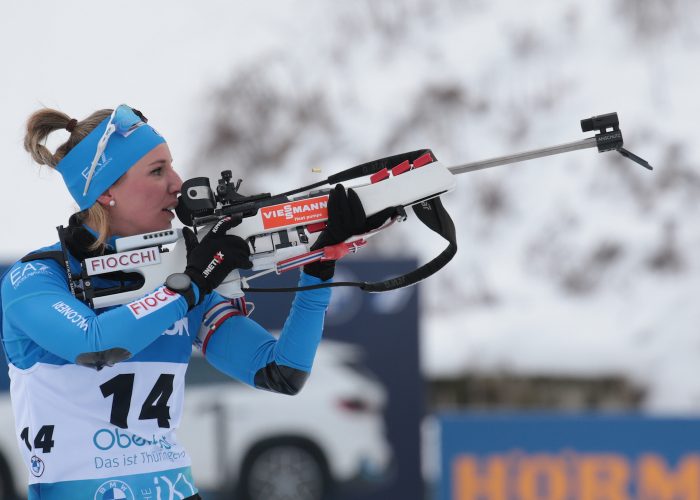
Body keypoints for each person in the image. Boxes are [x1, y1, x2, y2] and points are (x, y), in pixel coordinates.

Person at [0, 104, 387, 499]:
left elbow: (280, 371)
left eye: (172, 166)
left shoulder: (178, 277)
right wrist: (193, 284)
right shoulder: (35, 280)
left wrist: (319, 267)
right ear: (105, 191)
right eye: (157, 171)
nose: (178, 184)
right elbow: (95, 343)